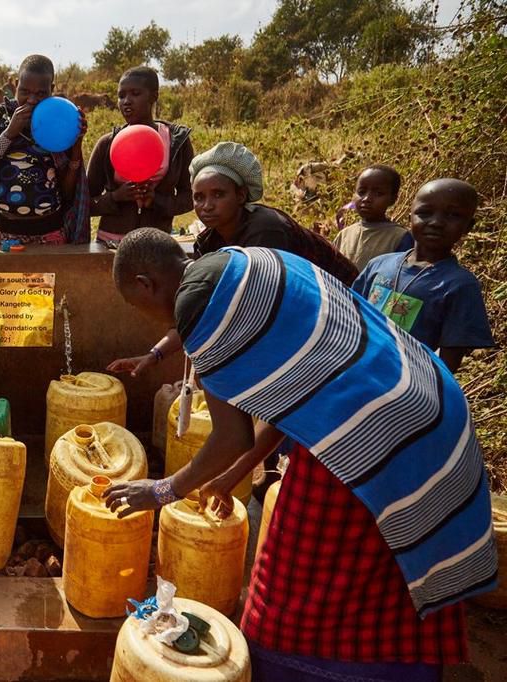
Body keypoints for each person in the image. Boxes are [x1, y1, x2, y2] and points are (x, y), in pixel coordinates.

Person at [105, 228, 495, 682]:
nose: (147, 318)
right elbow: (294, 397)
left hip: (371, 434)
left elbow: (231, 437)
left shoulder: (204, 309)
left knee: (293, 587)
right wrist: (229, 477)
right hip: (426, 403)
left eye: (135, 306)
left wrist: (162, 491)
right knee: (390, 568)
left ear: (145, 284)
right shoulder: (245, 263)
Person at [108, 141, 357, 377]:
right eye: (199, 197)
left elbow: (261, 313)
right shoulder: (209, 241)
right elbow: (202, 309)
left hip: (342, 313)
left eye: (218, 195)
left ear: (240, 195)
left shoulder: (266, 232)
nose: (207, 205)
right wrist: (155, 355)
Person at [353, 178, 493, 373]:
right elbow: (350, 315)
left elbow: (449, 360)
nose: (436, 222)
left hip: (406, 382)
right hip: (356, 372)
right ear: (410, 216)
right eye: (425, 213)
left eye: (453, 215)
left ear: (468, 226)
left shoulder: (460, 285)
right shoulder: (379, 265)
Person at [0, 54, 90, 246]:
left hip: (51, 235)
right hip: (6, 235)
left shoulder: (58, 119)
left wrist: (76, 147)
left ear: (52, 90)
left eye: (40, 94)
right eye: (24, 91)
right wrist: (9, 134)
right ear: (16, 85)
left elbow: (67, 194)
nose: (31, 100)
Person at [88, 66, 194, 239]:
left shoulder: (176, 142)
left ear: (154, 96)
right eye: (121, 96)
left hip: (157, 243)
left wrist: (156, 200)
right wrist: (115, 197)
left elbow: (190, 197)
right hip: (110, 243)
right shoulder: (107, 144)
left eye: (135, 93)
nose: (126, 101)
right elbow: (83, 203)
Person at [333, 164, 413, 269]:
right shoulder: (344, 235)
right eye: (361, 192)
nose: (366, 199)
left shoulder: (400, 237)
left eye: (378, 194)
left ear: (393, 199)